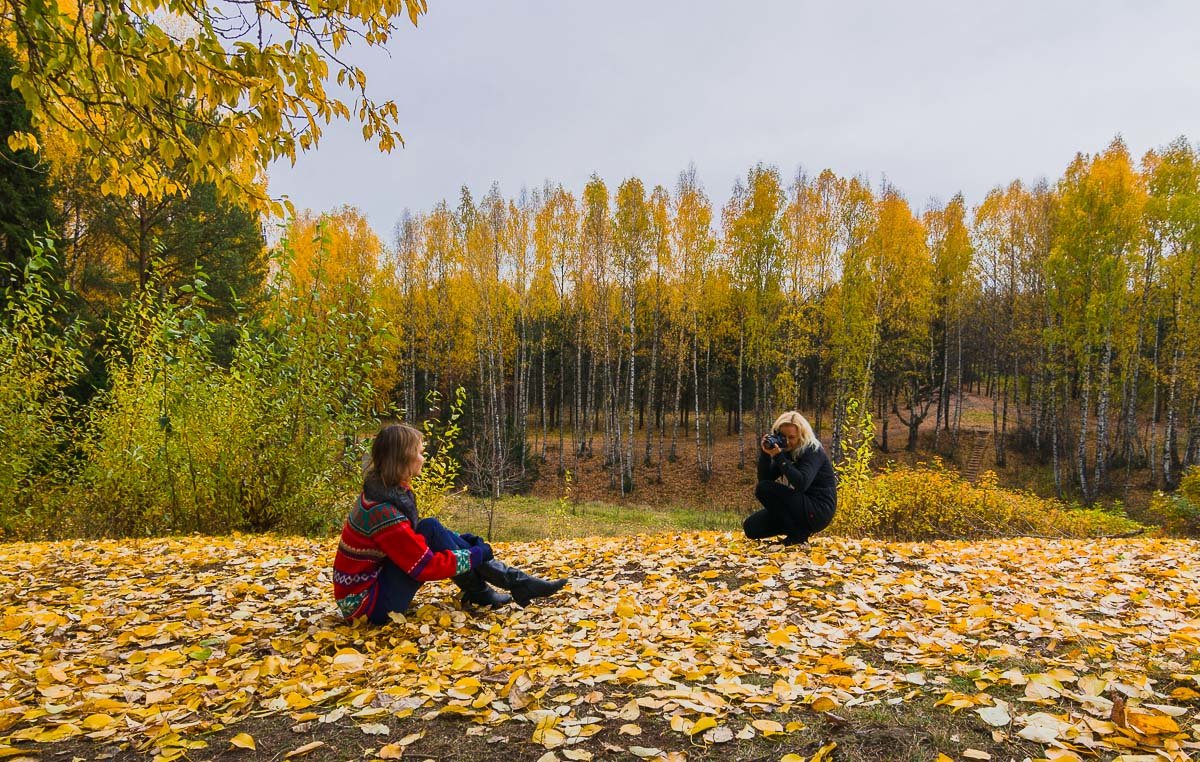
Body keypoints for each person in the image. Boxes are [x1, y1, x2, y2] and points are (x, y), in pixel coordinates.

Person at [333, 423, 568, 624]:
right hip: (366, 606)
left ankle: (500, 587)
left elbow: (412, 539)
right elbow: (425, 566)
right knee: (434, 531)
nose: (424, 458)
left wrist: (465, 542)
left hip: (368, 589)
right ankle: (505, 585)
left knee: (431, 527)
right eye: (420, 452)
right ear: (404, 457)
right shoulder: (383, 512)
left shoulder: (385, 493)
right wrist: (476, 554)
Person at [744, 411, 837, 546]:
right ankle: (796, 530)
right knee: (751, 527)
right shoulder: (786, 452)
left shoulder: (812, 450)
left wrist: (779, 457)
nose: (787, 442)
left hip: (818, 510)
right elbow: (765, 479)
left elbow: (802, 483)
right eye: (783, 436)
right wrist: (765, 455)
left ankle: (798, 535)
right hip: (799, 508)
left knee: (764, 489)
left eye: (792, 437)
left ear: (802, 436)